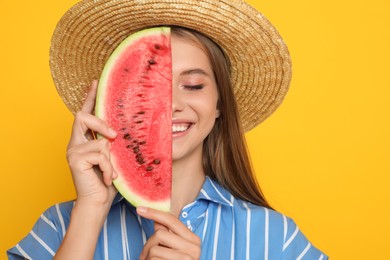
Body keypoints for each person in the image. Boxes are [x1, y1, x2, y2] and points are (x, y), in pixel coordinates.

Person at [8, 0, 328, 259]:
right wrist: (91, 208)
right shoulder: (61, 226)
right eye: (145, 89)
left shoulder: (277, 239)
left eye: (192, 84)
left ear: (219, 106)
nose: (169, 104)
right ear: (113, 103)